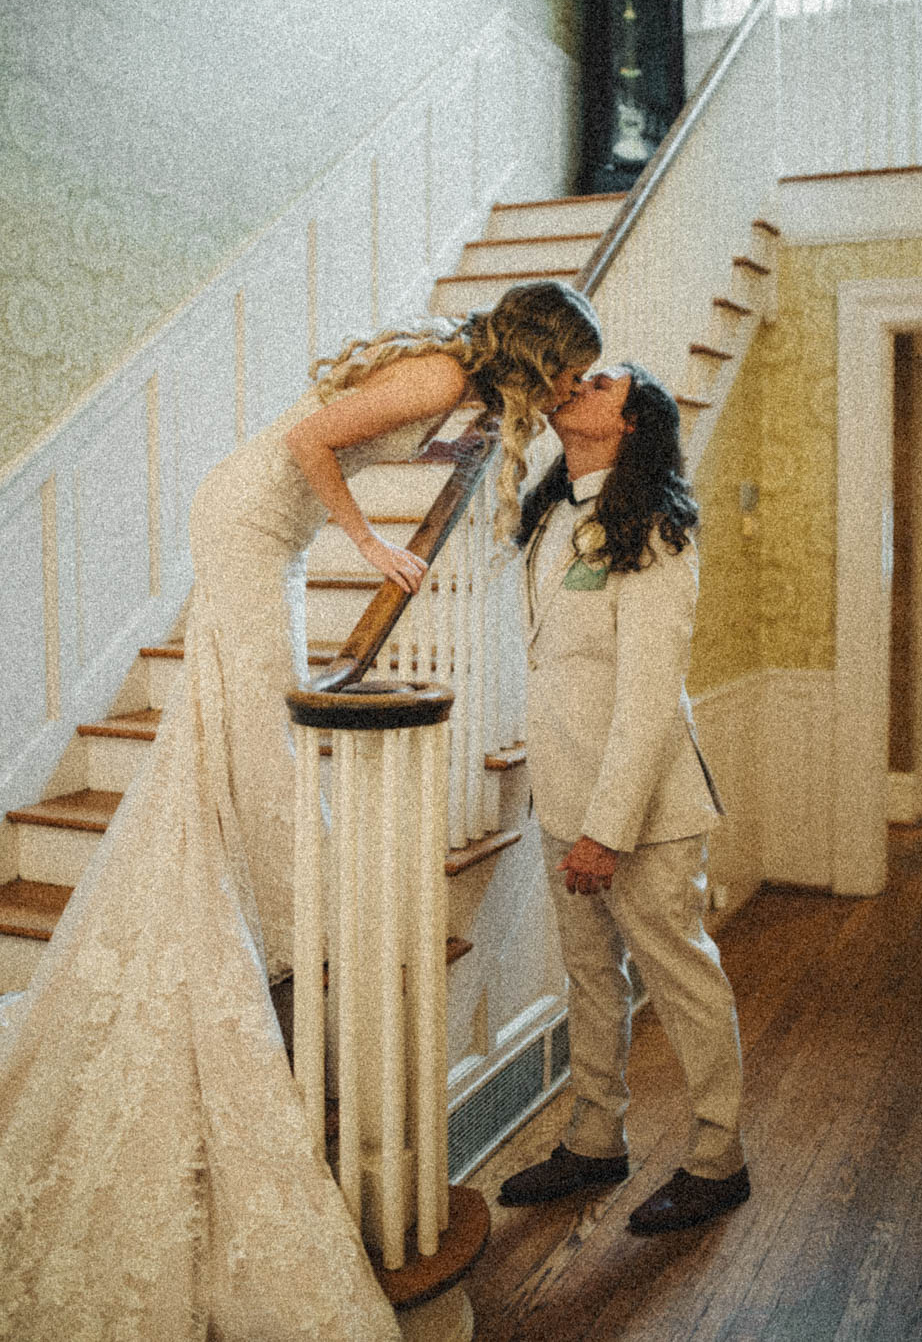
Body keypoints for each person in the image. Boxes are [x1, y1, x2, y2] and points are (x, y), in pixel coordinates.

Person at [0, 280, 602, 1340]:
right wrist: (368, 546)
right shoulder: (443, 372)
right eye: (564, 370)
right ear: (540, 354)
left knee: (241, 717)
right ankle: (278, 910)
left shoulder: (450, 383)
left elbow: (345, 433)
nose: (563, 390)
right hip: (249, 521)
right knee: (258, 718)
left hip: (255, 525)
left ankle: (253, 897)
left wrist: (430, 458)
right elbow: (316, 442)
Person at [498, 362, 750, 1234]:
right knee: (589, 982)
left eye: (599, 382)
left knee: (681, 979)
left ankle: (720, 1158)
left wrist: (606, 832)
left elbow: (649, 700)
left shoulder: (656, 532)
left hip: (646, 812)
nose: (574, 385)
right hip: (562, 796)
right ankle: (594, 1138)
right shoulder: (551, 517)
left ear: (634, 421)